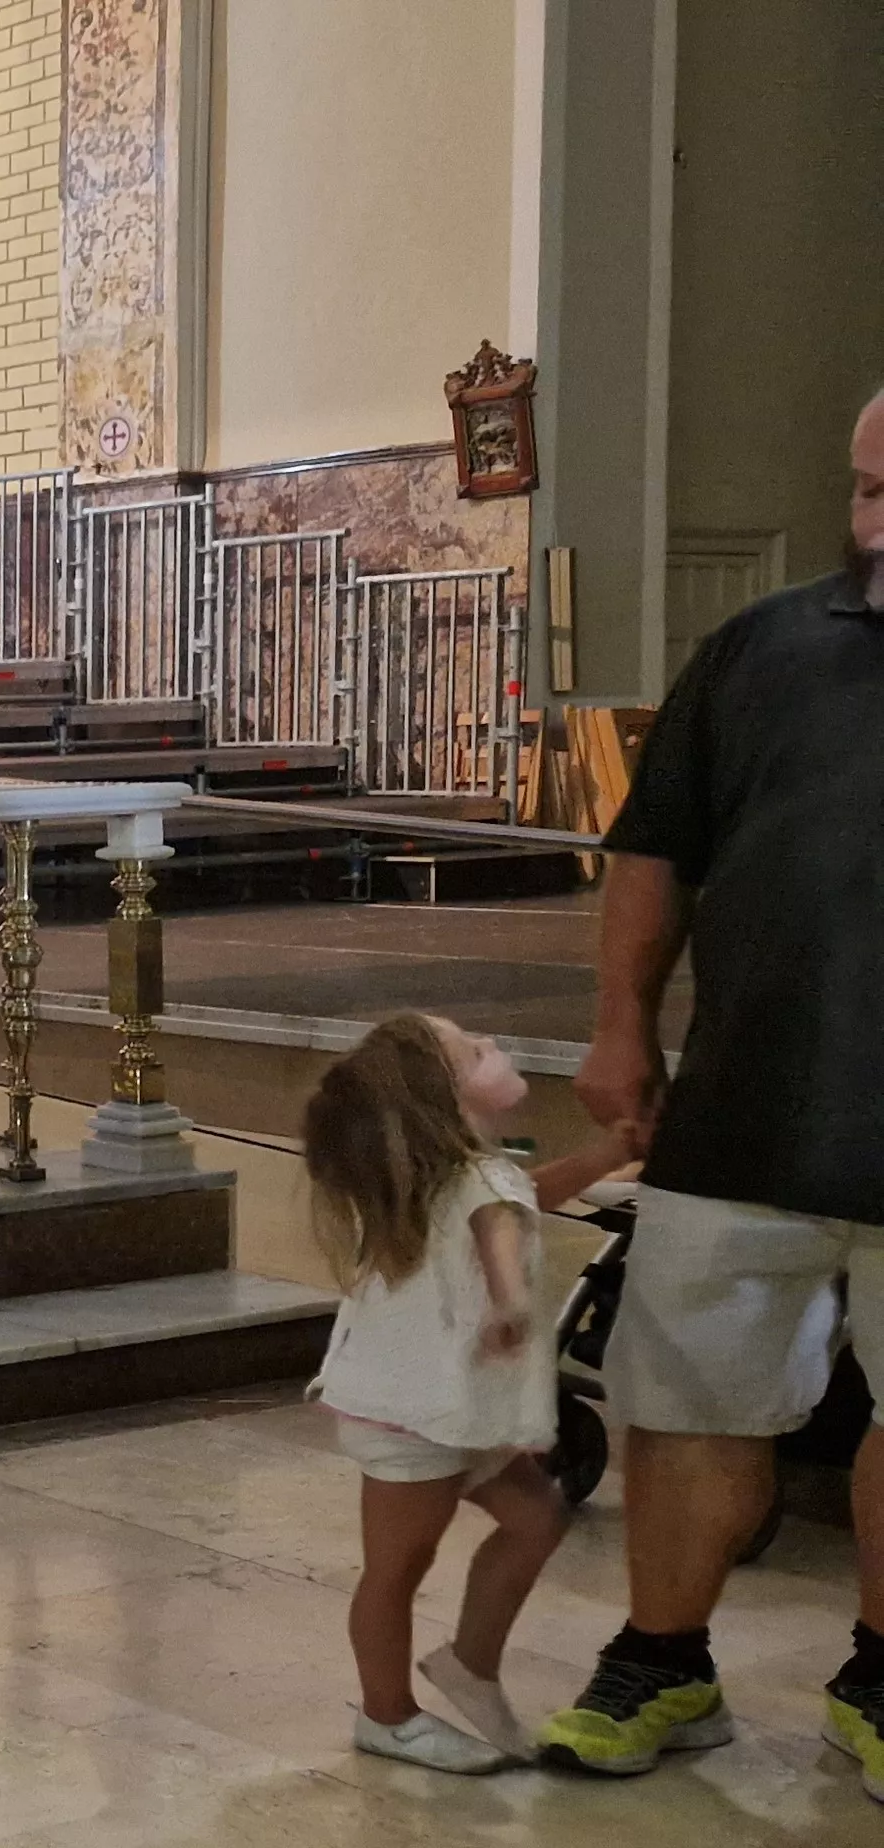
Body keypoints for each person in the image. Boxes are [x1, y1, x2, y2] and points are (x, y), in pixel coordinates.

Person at [540, 391, 884, 1799]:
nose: (876, 525)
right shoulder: (760, 647)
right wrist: (620, 1026)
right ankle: (660, 1660)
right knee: (683, 1402)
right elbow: (654, 851)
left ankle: (878, 1677)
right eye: (866, 491)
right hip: (746, 1108)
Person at [299, 1015, 627, 1774]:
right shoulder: (471, 1181)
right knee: (398, 1568)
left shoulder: (462, 1174)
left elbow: (521, 1200)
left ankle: (470, 1665)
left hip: (450, 1410)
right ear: (442, 1097)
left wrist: (607, 1155)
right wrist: (509, 1302)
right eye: (473, 1050)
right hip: (413, 1420)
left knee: (537, 1517)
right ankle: (386, 1716)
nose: (494, 1048)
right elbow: (499, 1236)